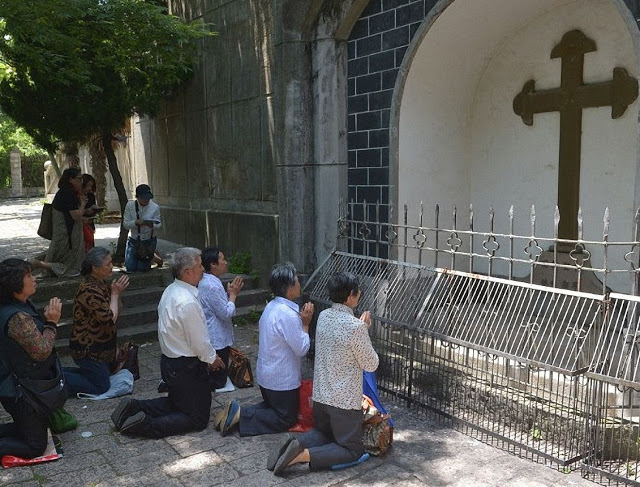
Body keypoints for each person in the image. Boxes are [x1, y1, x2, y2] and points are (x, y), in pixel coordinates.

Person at [269, 272, 379, 475]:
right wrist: (364, 330)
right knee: (353, 450)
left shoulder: (323, 316)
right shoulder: (355, 328)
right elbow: (371, 364)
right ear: (351, 296)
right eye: (357, 292)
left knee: (323, 433)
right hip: (344, 403)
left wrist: (361, 329)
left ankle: (294, 442)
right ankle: (300, 456)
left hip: (321, 397)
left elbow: (341, 341)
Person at [110, 247, 225, 438]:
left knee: (177, 403)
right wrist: (212, 359)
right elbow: (198, 341)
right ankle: (145, 425)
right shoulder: (186, 301)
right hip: (187, 367)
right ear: (187, 272)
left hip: (172, 363)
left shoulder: (172, 290)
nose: (203, 269)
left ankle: (135, 407)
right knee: (197, 419)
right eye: (199, 265)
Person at [217, 263, 314, 437]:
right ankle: (241, 415)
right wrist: (306, 325)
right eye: (297, 281)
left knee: (273, 408)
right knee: (286, 418)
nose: (300, 284)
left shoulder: (271, 307)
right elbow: (302, 349)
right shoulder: (288, 314)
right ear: (289, 287)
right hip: (281, 381)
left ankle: (236, 412)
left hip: (267, 378)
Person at [0, 258, 62, 458]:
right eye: (28, 276)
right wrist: (52, 323)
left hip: (20, 384)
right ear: (14, 284)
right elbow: (41, 351)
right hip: (19, 391)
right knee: (36, 446)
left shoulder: (18, 304)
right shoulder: (17, 317)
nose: (34, 279)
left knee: (27, 429)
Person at [64, 247, 129, 396]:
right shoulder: (88, 289)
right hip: (88, 349)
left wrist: (116, 295)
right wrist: (115, 293)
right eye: (107, 264)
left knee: (97, 378)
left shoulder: (101, 285)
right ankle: (57, 379)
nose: (111, 266)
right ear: (95, 268)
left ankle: (58, 372)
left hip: (102, 348)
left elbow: (116, 312)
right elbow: (109, 318)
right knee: (100, 387)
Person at [199, 247, 244, 392]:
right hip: (216, 337)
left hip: (214, 334)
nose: (225, 262)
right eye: (222, 259)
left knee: (220, 375)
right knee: (218, 381)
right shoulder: (211, 285)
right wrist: (233, 295)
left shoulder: (209, 281)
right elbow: (225, 312)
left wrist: (228, 294)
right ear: (213, 264)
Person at [32, 167, 87, 277]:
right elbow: (76, 216)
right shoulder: (67, 193)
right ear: (71, 179)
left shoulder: (65, 192)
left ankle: (37, 264)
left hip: (65, 234)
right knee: (69, 267)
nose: (81, 182)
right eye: (79, 179)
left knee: (58, 257)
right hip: (66, 235)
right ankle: (39, 264)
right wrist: (83, 204)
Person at [123, 184, 162, 273]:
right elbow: (125, 224)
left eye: (148, 198)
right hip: (134, 239)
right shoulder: (130, 206)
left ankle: (154, 257)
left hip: (149, 240)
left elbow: (159, 224)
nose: (146, 200)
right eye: (143, 198)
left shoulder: (155, 207)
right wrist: (136, 222)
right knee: (130, 268)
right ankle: (154, 257)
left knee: (142, 269)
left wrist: (152, 225)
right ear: (137, 197)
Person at [81, 174, 101, 253]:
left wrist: (94, 210)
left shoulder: (91, 195)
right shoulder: (75, 196)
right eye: (87, 186)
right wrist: (85, 210)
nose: (89, 189)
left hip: (89, 225)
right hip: (80, 226)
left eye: (91, 186)